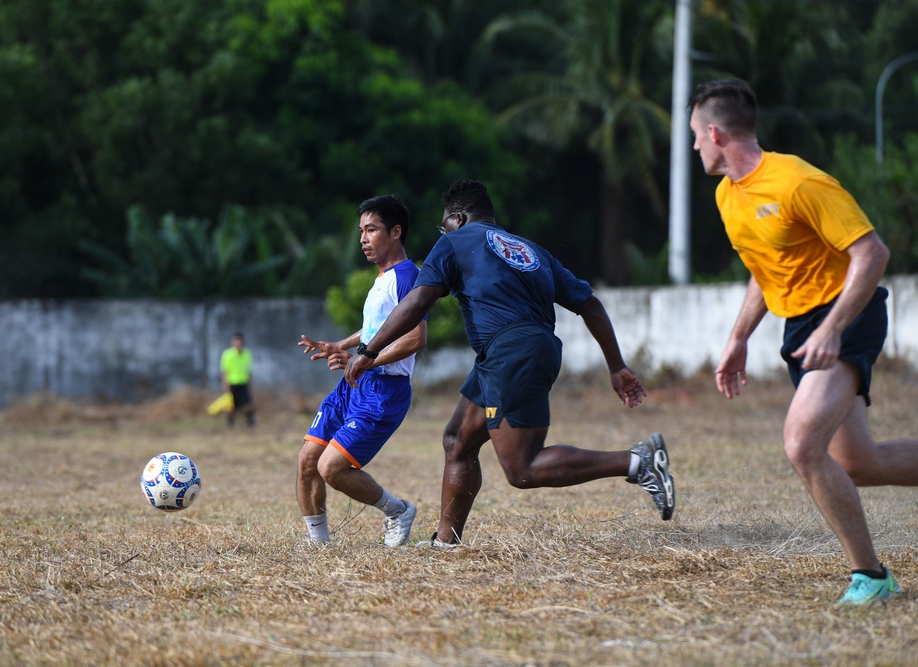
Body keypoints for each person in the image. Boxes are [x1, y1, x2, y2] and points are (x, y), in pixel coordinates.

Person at [344, 179, 675, 548]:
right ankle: (445, 542)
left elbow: (418, 302)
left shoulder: (454, 241)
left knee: (522, 468)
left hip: (510, 353)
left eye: (444, 225)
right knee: (458, 439)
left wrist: (368, 351)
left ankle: (638, 462)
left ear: (457, 218)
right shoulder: (531, 251)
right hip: (524, 350)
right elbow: (590, 304)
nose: (444, 231)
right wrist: (617, 366)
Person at [688, 78, 918, 605]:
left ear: (716, 132)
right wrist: (738, 337)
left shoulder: (796, 181)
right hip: (800, 329)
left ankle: (873, 578)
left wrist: (833, 328)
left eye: (697, 136)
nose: (695, 146)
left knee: (801, 444)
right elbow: (763, 272)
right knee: (861, 462)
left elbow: (872, 253)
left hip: (847, 316)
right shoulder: (728, 195)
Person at [296, 194, 427, 547]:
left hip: (385, 391)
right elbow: (375, 330)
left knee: (331, 468)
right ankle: (318, 548)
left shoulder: (408, 276)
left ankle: (398, 510)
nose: (363, 239)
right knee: (308, 458)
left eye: (371, 230)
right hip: (354, 384)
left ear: (395, 232)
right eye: (361, 231)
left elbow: (415, 338)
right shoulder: (382, 278)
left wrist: (365, 359)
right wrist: (343, 345)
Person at [220, 333, 255, 427]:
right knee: (230, 406)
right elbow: (225, 371)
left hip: (243, 383)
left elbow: (249, 370)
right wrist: (225, 385)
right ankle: (230, 424)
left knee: (248, 405)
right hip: (232, 383)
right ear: (232, 342)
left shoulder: (247, 354)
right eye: (236, 341)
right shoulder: (228, 354)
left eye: (239, 341)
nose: (238, 344)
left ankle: (251, 422)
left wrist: (250, 384)